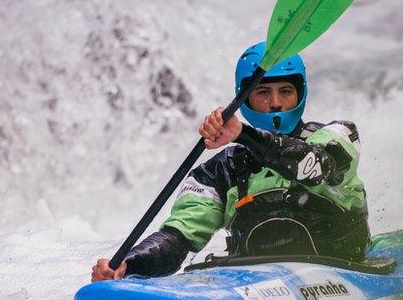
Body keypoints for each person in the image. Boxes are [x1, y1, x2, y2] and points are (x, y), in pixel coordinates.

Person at [91, 41, 369, 281]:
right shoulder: (219, 172)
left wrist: (242, 134)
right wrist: (130, 264)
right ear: (245, 99)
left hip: (343, 273)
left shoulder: (336, 135)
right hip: (257, 285)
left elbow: (316, 166)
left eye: (285, 91)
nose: (275, 103)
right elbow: (179, 238)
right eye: (263, 92)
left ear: (300, 94)